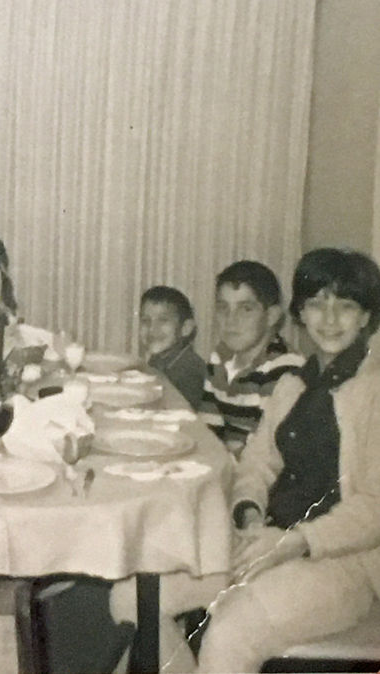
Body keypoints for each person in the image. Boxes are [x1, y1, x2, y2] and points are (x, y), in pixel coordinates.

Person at [197, 248, 380, 672]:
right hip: (271, 540)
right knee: (142, 594)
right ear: (300, 312)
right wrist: (249, 515)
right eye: (317, 304)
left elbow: (374, 508)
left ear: (367, 317)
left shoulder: (374, 391)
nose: (329, 320)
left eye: (346, 306)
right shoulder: (296, 383)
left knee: (229, 634)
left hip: (342, 565)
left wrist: (291, 543)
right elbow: (256, 464)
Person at [199, 261, 304, 455]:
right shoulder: (219, 357)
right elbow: (208, 428)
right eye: (223, 308)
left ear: (272, 316)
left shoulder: (285, 370)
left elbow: (265, 454)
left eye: (246, 309)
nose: (231, 320)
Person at [139, 285, 205, 409]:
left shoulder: (189, 372)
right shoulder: (159, 358)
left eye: (163, 320)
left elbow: (181, 417)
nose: (152, 329)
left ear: (186, 328)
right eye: (145, 320)